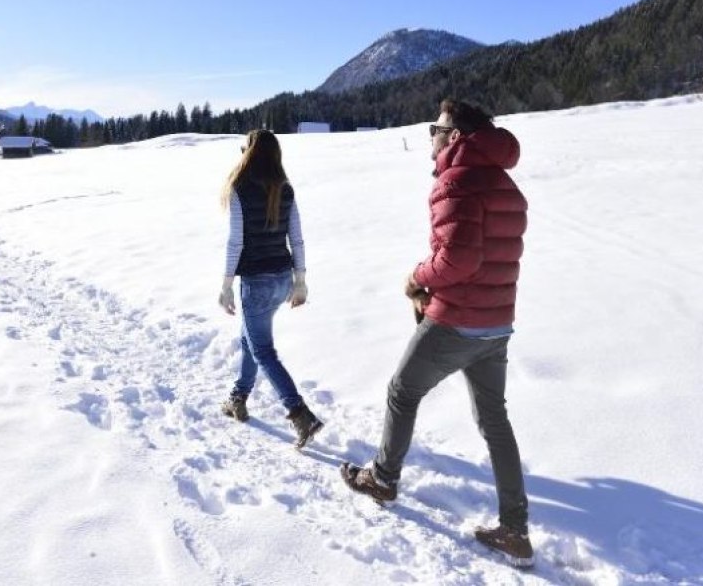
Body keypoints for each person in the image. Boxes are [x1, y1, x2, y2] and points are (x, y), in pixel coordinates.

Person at [340, 99, 534, 568]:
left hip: (457, 319)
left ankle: (383, 480)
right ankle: (515, 528)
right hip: (496, 322)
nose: (430, 137)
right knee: (494, 420)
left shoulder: (457, 180)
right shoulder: (503, 181)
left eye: (436, 128)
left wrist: (416, 278)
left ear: (456, 136)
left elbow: (459, 261)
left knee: (402, 391)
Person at [217, 129, 324, 449]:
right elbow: (298, 238)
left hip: (257, 283)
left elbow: (236, 241)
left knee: (263, 350)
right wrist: (301, 281)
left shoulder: (239, 189)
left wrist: (225, 285)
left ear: (248, 155)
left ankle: (300, 414)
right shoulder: (285, 188)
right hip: (282, 280)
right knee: (250, 338)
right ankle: (238, 397)